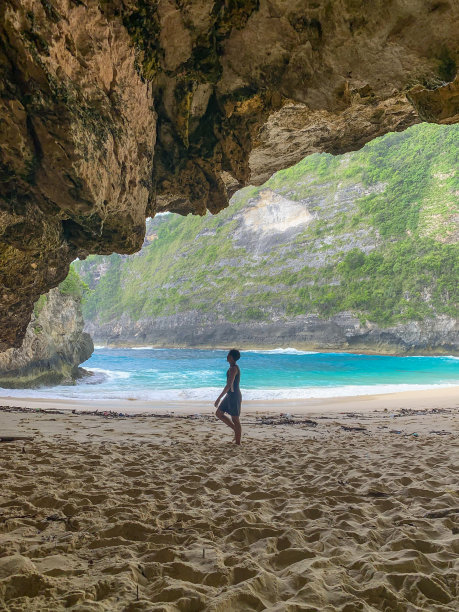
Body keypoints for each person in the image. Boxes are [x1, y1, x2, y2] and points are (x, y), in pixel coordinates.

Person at [214, 349, 242, 445]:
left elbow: (229, 385)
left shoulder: (234, 368)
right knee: (219, 413)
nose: (227, 356)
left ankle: (238, 443)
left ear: (232, 357)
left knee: (235, 419)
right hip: (230, 395)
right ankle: (235, 430)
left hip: (234, 396)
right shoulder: (232, 368)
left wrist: (219, 398)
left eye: (228, 355)